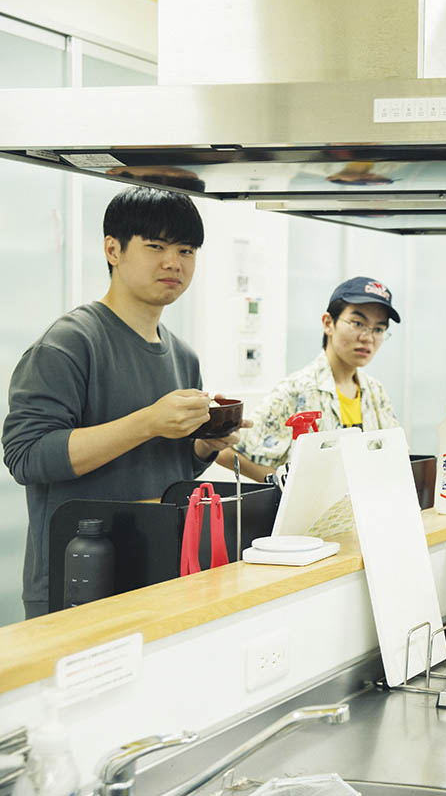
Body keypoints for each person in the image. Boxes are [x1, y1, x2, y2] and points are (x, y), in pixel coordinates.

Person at [3, 187, 241, 619]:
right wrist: (147, 422)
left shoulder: (183, 355)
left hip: (160, 573)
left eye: (186, 250)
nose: (174, 262)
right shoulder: (70, 343)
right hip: (80, 580)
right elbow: (26, 457)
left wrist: (205, 448)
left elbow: (165, 468)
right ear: (113, 249)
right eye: (156, 246)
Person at [219, 277, 401, 481]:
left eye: (378, 329)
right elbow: (225, 452)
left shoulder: (376, 392)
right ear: (328, 323)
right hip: (310, 513)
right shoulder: (296, 390)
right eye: (358, 323)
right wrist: (285, 485)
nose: (368, 338)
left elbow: (394, 457)